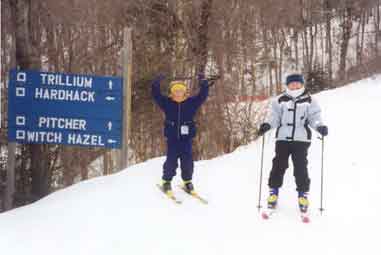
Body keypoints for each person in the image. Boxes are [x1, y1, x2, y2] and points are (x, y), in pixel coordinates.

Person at [258, 74, 328, 213]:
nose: (294, 86)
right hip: (283, 139)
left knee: (300, 167)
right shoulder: (279, 100)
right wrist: (267, 125)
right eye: (292, 84)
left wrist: (320, 126)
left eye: (297, 83)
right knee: (279, 165)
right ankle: (273, 192)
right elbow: (274, 117)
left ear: (302, 85)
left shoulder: (310, 100)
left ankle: (303, 195)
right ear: (287, 85)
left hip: (301, 140)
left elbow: (315, 117)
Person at [151, 74, 209, 195]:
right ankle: (166, 181)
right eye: (175, 90)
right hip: (172, 138)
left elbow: (202, 97)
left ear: (184, 92)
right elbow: (156, 96)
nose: (178, 93)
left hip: (186, 139)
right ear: (172, 92)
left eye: (180, 90)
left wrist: (204, 84)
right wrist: (155, 84)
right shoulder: (167, 103)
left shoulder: (191, 103)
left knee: (187, 161)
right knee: (171, 161)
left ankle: (187, 181)